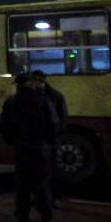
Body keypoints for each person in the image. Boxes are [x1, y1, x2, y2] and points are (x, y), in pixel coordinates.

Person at [0, 72, 61, 222]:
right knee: (42, 185)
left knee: (23, 185)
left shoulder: (11, 102)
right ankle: (46, 220)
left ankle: (23, 220)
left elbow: (4, 126)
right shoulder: (44, 100)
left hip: (21, 148)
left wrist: (12, 141)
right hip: (41, 148)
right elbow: (54, 123)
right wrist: (49, 142)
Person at [30, 69, 69, 205]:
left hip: (40, 140)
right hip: (50, 139)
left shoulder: (35, 97)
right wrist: (56, 135)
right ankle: (54, 198)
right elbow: (62, 118)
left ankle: (44, 198)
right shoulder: (56, 95)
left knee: (39, 170)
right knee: (50, 170)